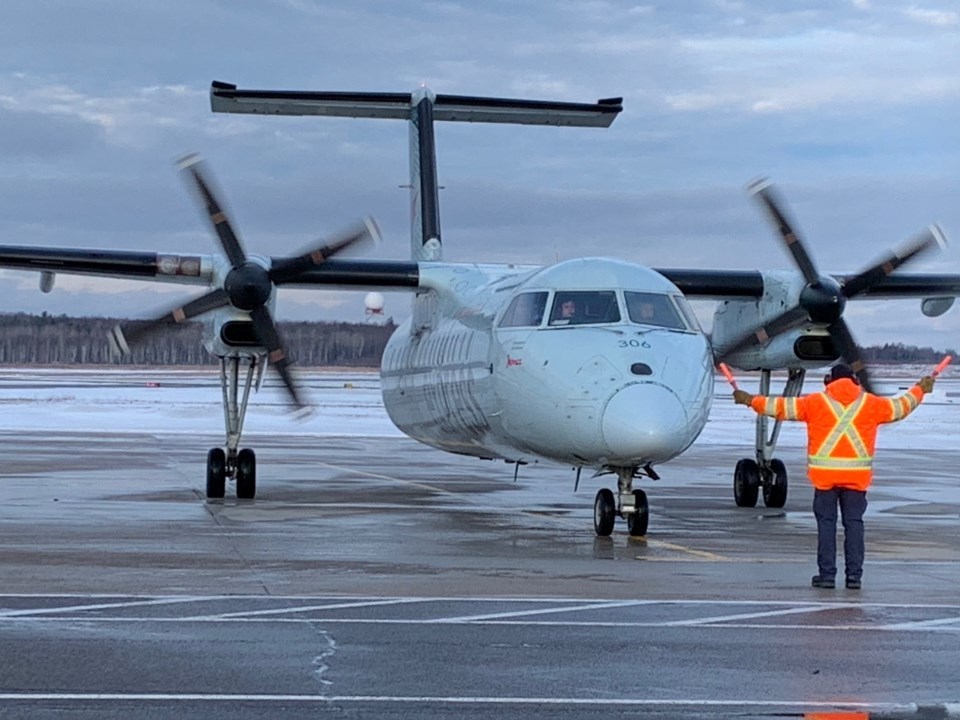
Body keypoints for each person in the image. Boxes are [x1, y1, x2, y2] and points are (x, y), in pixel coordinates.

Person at [733, 362, 935, 590]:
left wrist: (751, 400)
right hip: (857, 480)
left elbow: (779, 407)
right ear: (855, 381)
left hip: (825, 479)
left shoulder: (815, 402)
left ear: (829, 382)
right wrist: (920, 389)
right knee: (854, 526)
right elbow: (900, 407)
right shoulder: (871, 403)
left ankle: (827, 575)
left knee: (826, 527)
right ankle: (854, 577)